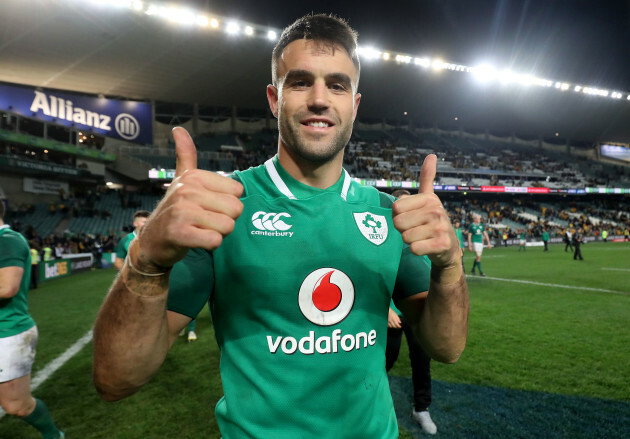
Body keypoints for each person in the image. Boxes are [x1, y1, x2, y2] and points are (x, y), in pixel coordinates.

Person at [93, 14, 469, 439]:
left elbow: (447, 347)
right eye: (301, 81)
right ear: (274, 98)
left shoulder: (388, 213)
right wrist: (146, 261)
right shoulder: (222, 208)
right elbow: (116, 379)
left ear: (354, 105)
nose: (320, 99)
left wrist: (450, 265)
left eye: (338, 85)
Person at [0, 201, 65, 439]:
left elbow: (6, 287)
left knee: (17, 406)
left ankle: (53, 435)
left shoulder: (8, 240)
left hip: (7, 333)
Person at [388, 189, 436, 434]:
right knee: (384, 360)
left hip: (418, 314)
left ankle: (421, 408)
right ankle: (374, 403)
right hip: (391, 315)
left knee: (421, 361)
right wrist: (386, 308)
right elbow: (370, 275)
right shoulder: (382, 237)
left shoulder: (425, 237)